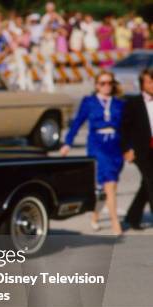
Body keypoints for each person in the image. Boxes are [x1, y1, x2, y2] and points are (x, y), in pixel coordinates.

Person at [60, 71, 125, 235]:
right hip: (98, 145)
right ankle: (115, 223)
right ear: (97, 85)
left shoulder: (119, 103)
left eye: (109, 83)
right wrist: (68, 142)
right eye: (103, 83)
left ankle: (95, 215)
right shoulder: (89, 102)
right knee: (110, 184)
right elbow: (77, 123)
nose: (106, 86)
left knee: (107, 187)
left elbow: (128, 127)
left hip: (115, 145)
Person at [121, 68, 153, 230]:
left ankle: (133, 216)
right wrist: (126, 149)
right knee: (151, 181)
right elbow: (125, 129)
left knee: (146, 184)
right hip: (141, 150)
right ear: (142, 84)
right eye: (149, 82)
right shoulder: (133, 103)